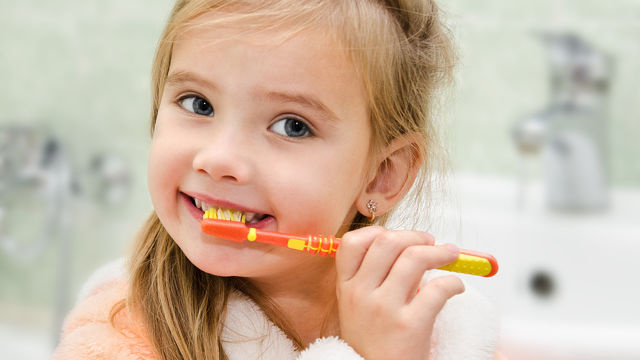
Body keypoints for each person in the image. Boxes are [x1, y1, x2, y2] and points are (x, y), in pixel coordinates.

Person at [53, 0, 504, 359]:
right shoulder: (111, 340)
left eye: (292, 125)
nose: (219, 159)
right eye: (198, 104)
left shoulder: (440, 331)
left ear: (383, 174)